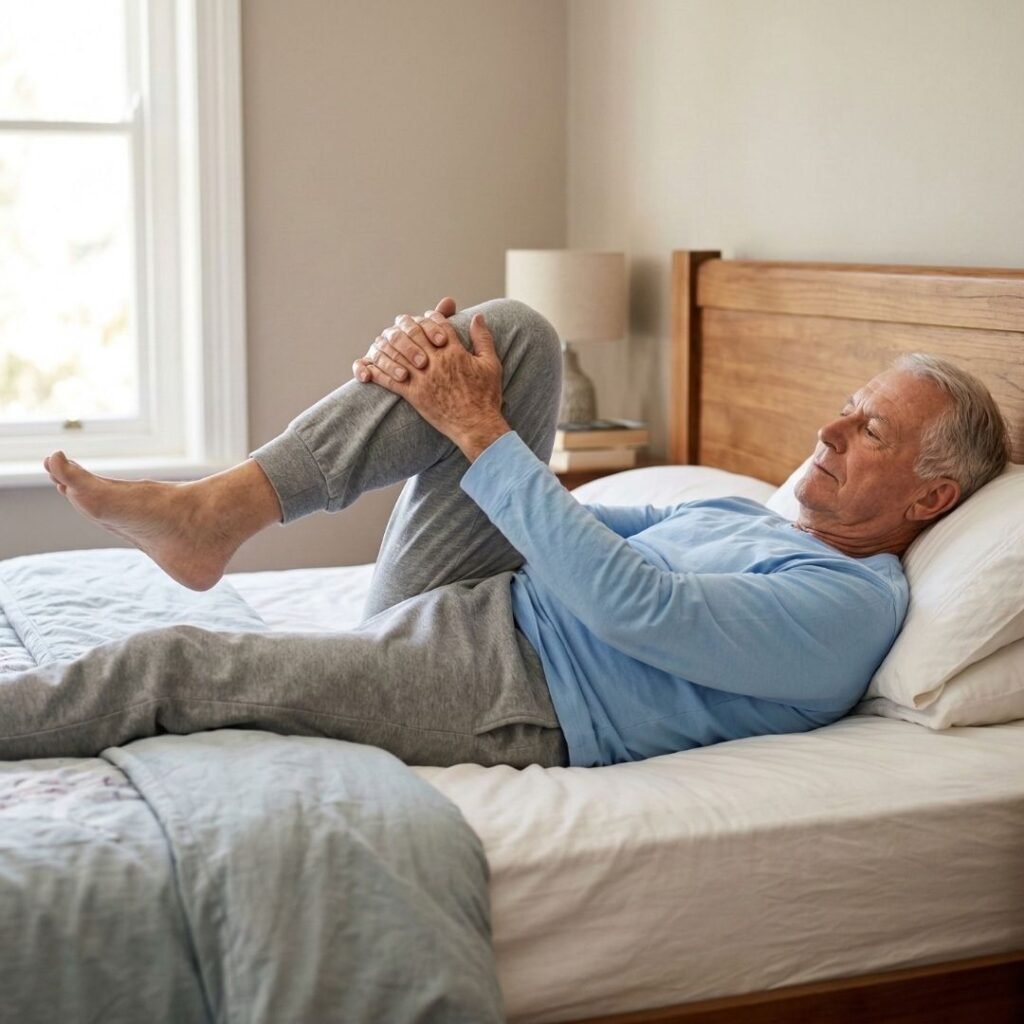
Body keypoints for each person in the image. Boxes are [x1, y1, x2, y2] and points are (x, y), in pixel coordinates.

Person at [3, 299, 1010, 766]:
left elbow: (634, 606)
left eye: (869, 431)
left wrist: (475, 430)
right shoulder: (748, 514)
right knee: (516, 334)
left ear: (930, 499)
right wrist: (427, 394)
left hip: (512, 688)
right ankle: (219, 510)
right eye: (845, 408)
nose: (828, 430)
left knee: (176, 667)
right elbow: (572, 526)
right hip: (491, 592)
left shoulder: (848, 608)